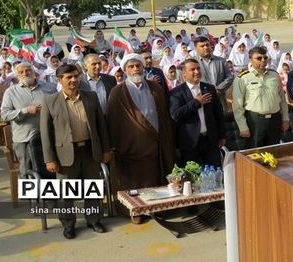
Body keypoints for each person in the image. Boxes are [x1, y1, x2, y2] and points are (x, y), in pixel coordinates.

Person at [41, 64, 110, 239]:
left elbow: (101, 126)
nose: (73, 80)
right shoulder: (50, 102)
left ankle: (94, 220)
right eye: (68, 77)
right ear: (59, 80)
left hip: (89, 150)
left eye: (75, 76)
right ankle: (68, 224)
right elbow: (46, 133)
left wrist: (105, 149)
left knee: (92, 188)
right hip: (64, 155)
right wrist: (50, 159)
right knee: (66, 192)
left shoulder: (90, 97)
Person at [106, 53, 176, 221]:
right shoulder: (118, 92)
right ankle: (138, 211)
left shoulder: (155, 88)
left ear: (143, 67)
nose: (135, 69)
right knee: (135, 183)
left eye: (138, 65)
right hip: (131, 148)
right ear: (125, 70)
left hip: (155, 144)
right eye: (131, 66)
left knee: (155, 179)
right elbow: (113, 122)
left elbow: (165, 116)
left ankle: (157, 208)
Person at [1, 62, 57, 175]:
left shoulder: (49, 87)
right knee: (27, 171)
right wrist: (26, 111)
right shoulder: (11, 92)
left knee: (51, 170)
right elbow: (5, 115)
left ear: (33, 72)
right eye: (21, 72)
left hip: (49, 136)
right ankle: (29, 192)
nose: (25, 73)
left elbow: (59, 107)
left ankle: (50, 191)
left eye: (28, 70)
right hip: (24, 139)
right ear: (17, 75)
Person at [169, 59, 225, 167]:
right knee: (192, 176)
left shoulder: (209, 88)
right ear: (184, 73)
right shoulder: (176, 93)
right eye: (192, 69)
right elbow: (175, 114)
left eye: (198, 68)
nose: (197, 72)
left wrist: (222, 135)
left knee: (214, 173)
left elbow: (218, 113)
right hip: (190, 142)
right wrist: (196, 102)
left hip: (210, 140)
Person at [232, 46, 289, 148]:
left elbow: (282, 100)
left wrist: (285, 119)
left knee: (274, 151)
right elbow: (237, 106)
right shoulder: (242, 78)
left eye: (265, 57)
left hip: (275, 120)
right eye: (258, 58)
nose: (263, 60)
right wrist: (243, 127)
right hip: (255, 121)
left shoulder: (274, 76)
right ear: (250, 59)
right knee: (255, 153)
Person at [192, 36, 233, 110]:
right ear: (196, 48)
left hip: (219, 98)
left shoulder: (221, 61)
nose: (206, 47)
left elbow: (230, 77)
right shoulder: (192, 63)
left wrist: (218, 89)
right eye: (202, 46)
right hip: (202, 100)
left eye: (207, 45)